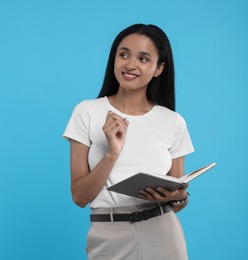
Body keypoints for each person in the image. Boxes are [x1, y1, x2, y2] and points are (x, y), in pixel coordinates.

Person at [63, 24, 194, 260]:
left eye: (143, 59)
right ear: (114, 58)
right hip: (108, 233)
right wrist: (112, 153)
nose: (130, 65)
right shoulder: (87, 112)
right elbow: (79, 197)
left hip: (163, 232)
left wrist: (177, 196)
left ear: (159, 68)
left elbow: (179, 199)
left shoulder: (173, 121)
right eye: (123, 54)